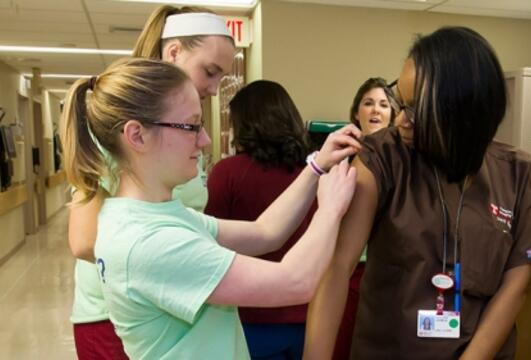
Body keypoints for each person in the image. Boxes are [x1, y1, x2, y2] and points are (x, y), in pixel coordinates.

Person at [61, 58, 360, 359]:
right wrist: (330, 209)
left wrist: (317, 166)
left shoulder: (151, 215)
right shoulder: (149, 243)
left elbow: (265, 231)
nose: (204, 140)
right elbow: (296, 282)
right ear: (137, 135)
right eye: (190, 126)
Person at [304, 26, 531, 359]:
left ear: (464, 117)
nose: (400, 120)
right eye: (400, 102)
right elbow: (336, 268)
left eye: (416, 111)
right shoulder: (381, 158)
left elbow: (515, 289)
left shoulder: (518, 174)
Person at [67, 6, 237, 358]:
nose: (214, 88)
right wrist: (174, 265)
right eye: (210, 71)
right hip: (116, 315)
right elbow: (84, 241)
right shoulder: (124, 122)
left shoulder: (178, 129)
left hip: (173, 304)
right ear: (173, 51)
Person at [204, 80, 316, 359]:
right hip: (309, 312)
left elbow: (211, 241)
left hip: (251, 316)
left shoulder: (228, 173)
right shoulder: (314, 174)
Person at [333, 77, 398, 360]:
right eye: (368, 103)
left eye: (384, 105)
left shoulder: (404, 162)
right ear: (356, 111)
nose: (376, 110)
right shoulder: (340, 157)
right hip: (348, 273)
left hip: (388, 274)